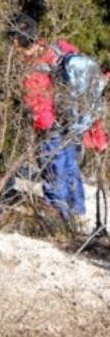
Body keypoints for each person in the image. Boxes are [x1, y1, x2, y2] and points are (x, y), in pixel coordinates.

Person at [8, 13, 107, 224]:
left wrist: (41, 129)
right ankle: (78, 211)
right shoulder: (60, 48)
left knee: (54, 170)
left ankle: (60, 219)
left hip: (52, 127)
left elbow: (41, 111)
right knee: (70, 166)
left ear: (17, 42)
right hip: (73, 121)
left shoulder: (34, 68)